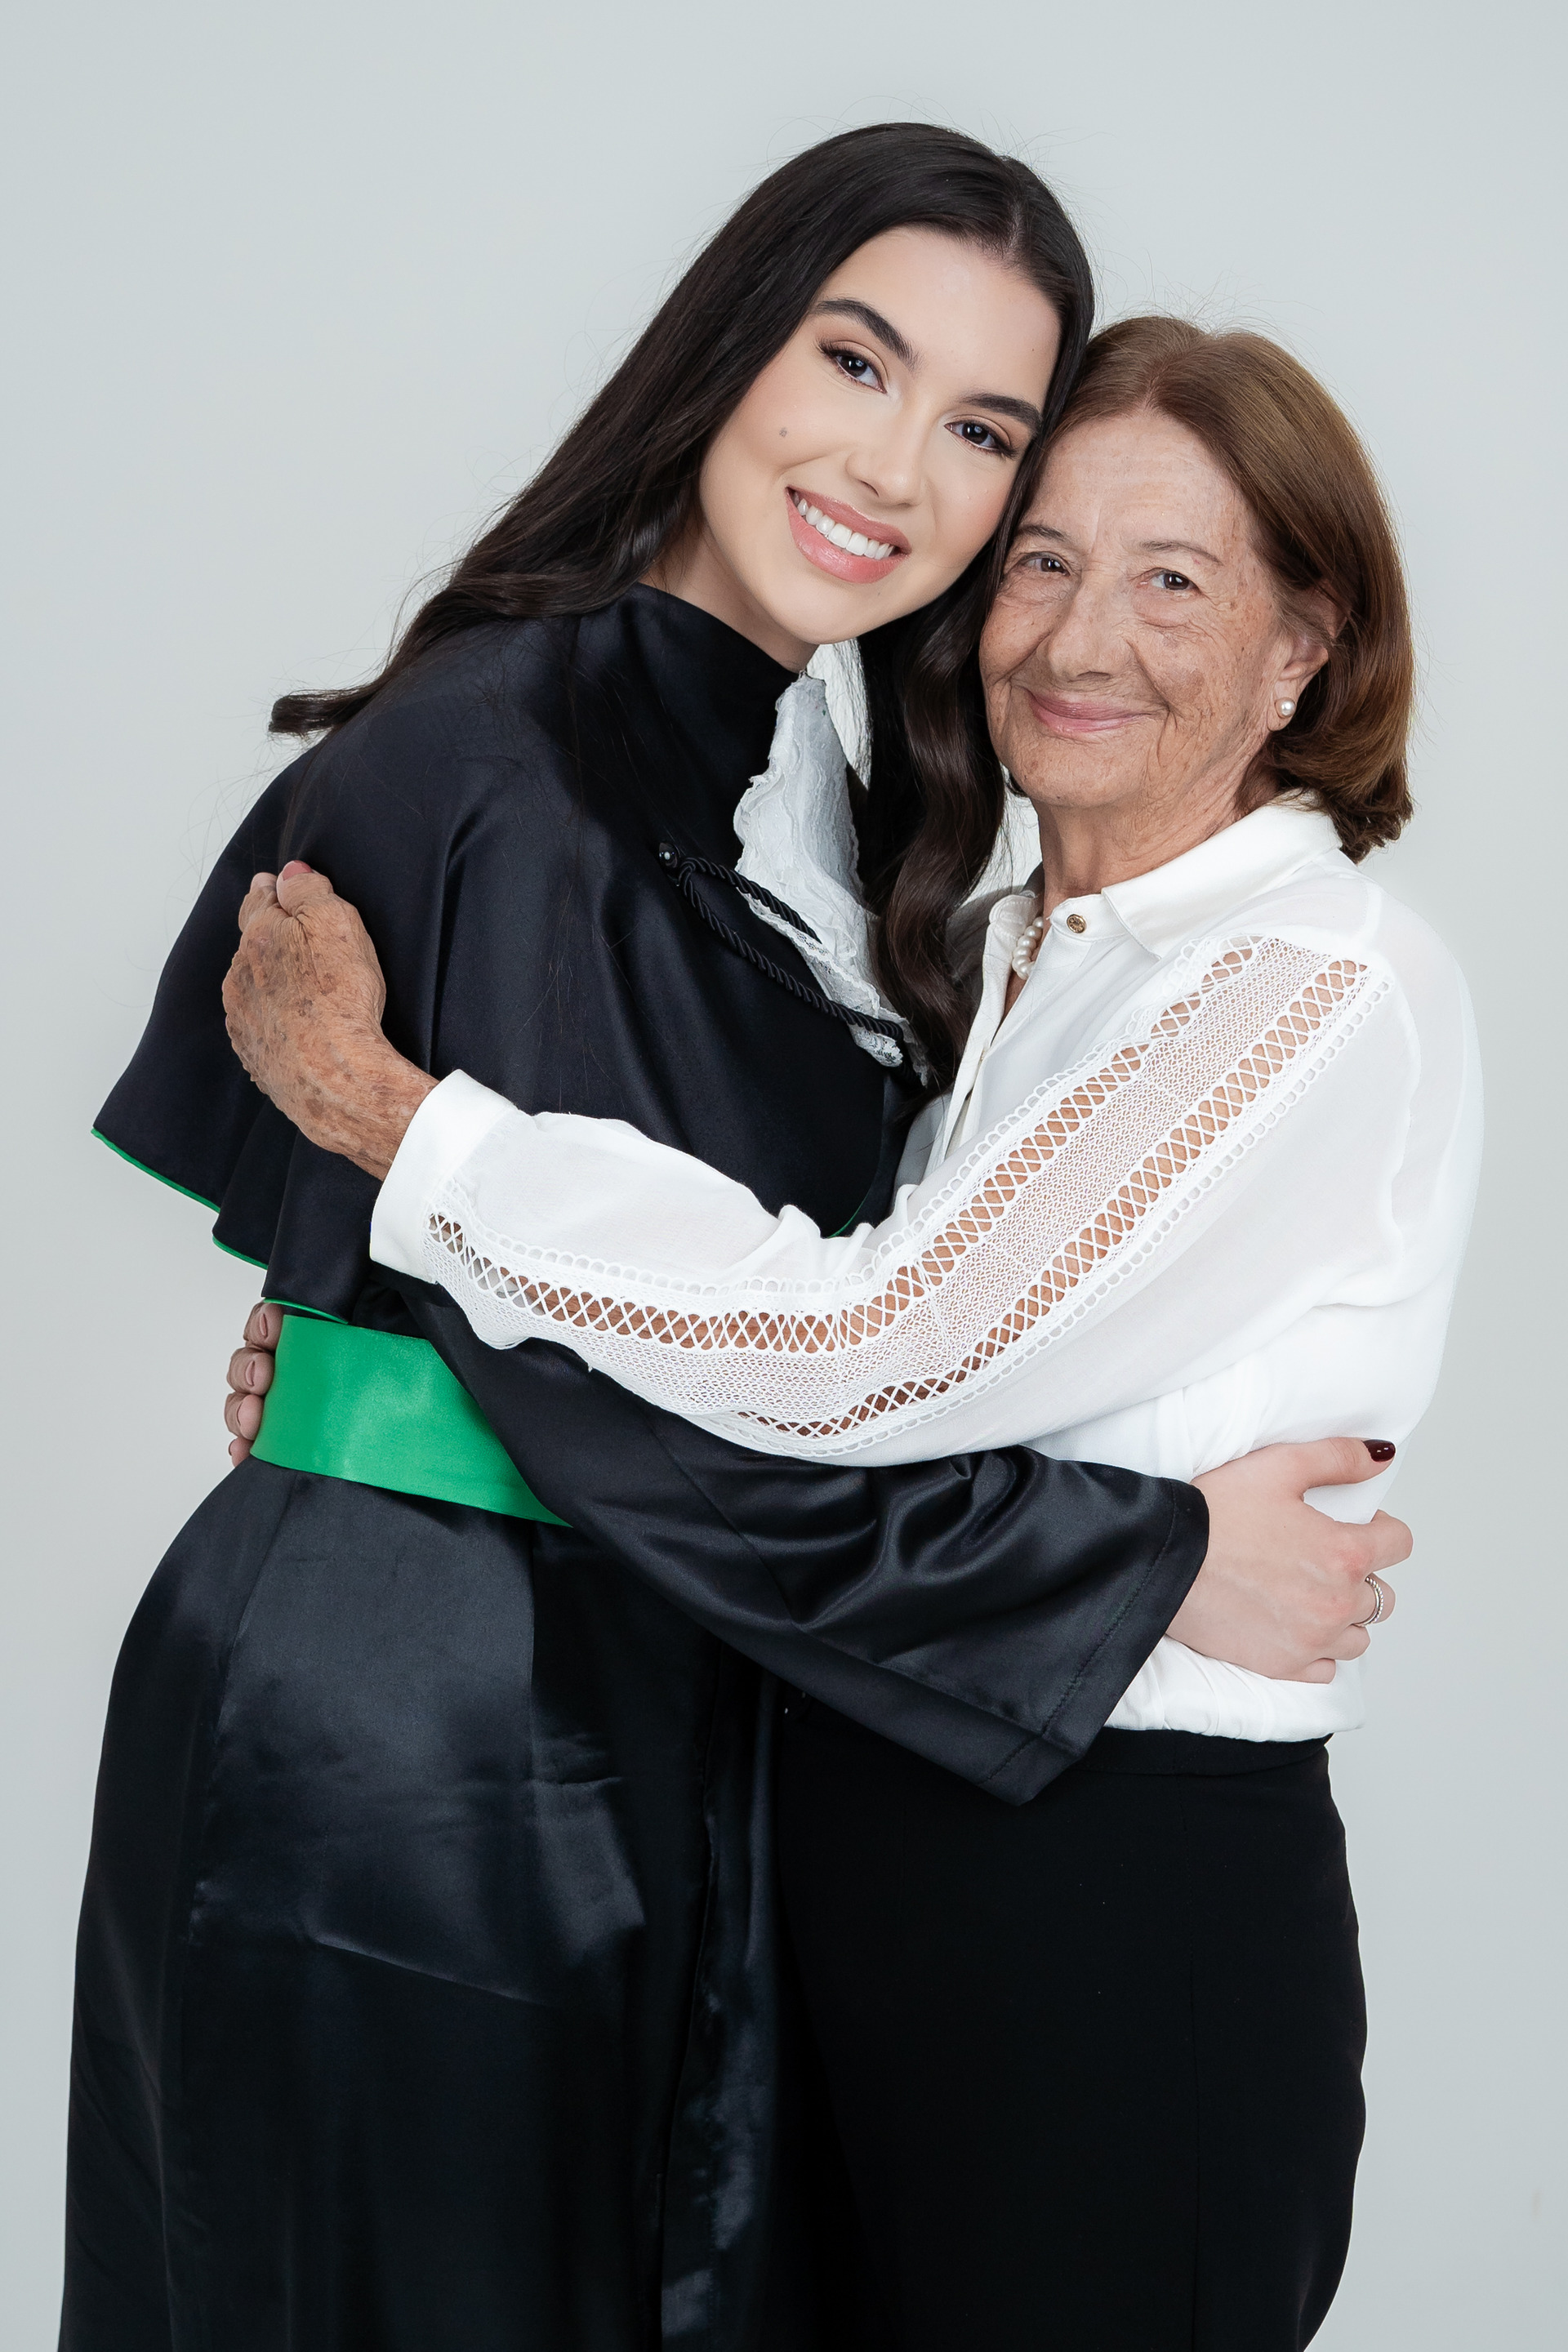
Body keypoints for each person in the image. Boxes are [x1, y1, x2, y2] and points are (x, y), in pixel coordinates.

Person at [76, 114, 1407, 2352]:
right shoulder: (509, 762)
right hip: (432, 1740)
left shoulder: (827, 785)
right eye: (857, 361)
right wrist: (1146, 1560)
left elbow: (759, 1325)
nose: (895, 466)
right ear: (731, 345)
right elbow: (649, 1407)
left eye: (981, 428)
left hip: (640, 1699)